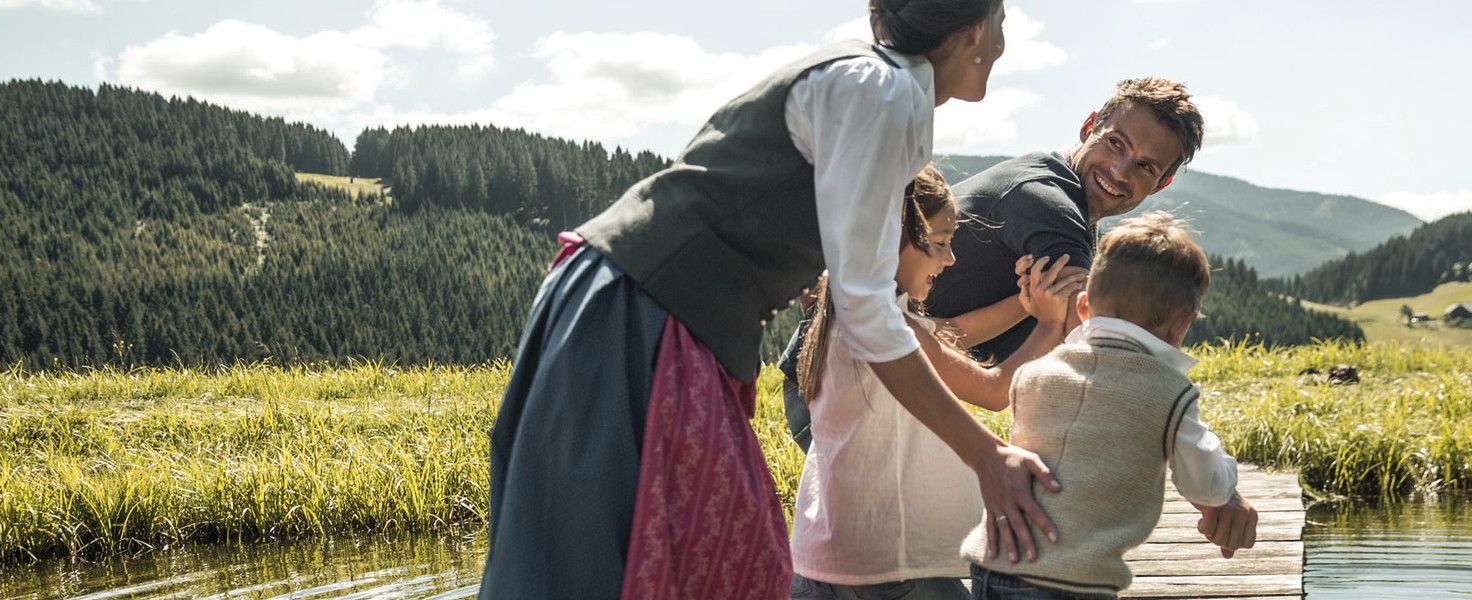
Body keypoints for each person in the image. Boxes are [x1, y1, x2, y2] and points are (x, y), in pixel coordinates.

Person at [479, 2, 1062, 598]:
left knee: (716, 559)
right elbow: (868, 311)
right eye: (1000, 22)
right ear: (970, 34)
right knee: (607, 564)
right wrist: (986, 455)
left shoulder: (887, 91)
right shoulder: (879, 89)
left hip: (670, 316)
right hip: (641, 310)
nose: (1002, 41)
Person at [781, 77, 1207, 448]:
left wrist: (1031, 310)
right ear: (1088, 126)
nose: (1119, 170)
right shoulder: (1050, 205)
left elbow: (945, 334)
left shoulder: (1056, 192)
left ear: (1161, 182)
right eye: (1115, 142)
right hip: (845, 384)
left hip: (865, 376)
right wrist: (1188, 448)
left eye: (1145, 166)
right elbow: (1102, 342)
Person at [790, 165, 1082, 600]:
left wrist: (1025, 306)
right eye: (942, 243)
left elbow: (947, 333)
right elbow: (995, 389)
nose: (950, 259)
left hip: (824, 560)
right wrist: (1048, 323)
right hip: (889, 570)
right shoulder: (887, 328)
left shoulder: (850, 311)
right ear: (893, 240)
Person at [961, 213, 1262, 599]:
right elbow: (1203, 481)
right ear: (1182, 324)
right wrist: (1227, 486)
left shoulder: (1033, 375)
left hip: (994, 559)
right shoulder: (1170, 391)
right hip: (1076, 578)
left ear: (1084, 306)